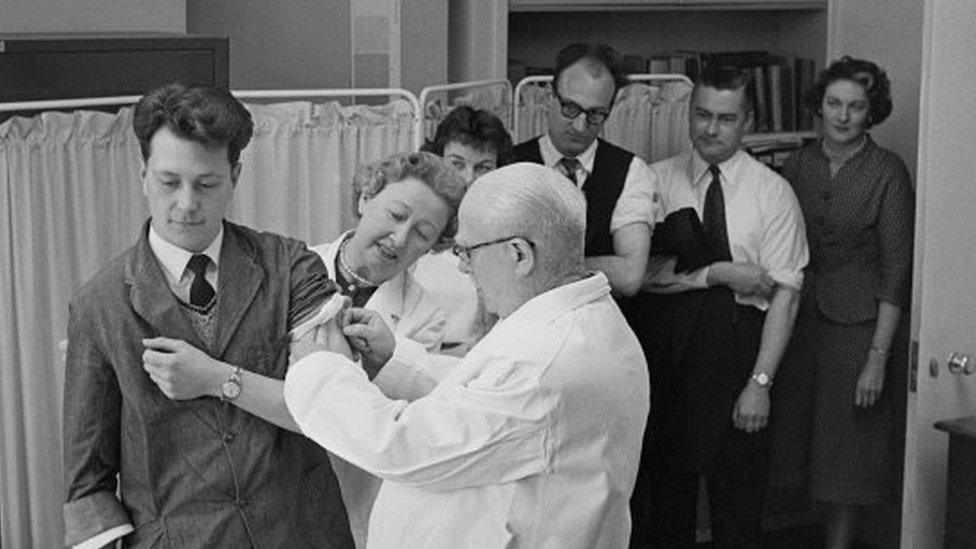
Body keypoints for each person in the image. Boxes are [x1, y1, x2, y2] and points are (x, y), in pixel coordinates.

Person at [283, 162, 649, 548]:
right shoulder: (572, 324)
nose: (461, 266)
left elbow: (400, 444)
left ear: (519, 254)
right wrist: (394, 360)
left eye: (467, 251)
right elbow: (481, 396)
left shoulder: (547, 364)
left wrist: (317, 366)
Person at [61, 84, 353, 548]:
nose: (186, 203)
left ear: (235, 174)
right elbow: (87, 480)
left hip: (301, 531)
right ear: (142, 173)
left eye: (207, 183)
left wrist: (219, 378)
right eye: (169, 182)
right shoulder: (99, 303)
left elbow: (332, 411)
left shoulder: (290, 266)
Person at [150, 150, 468, 548]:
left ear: (433, 248)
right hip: (259, 476)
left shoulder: (425, 316)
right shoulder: (284, 268)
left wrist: (386, 355)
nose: (400, 238)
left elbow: (397, 421)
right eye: (397, 214)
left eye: (422, 233)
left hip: (348, 494)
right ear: (366, 198)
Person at [634, 65, 809, 547]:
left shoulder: (772, 193)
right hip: (671, 362)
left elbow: (785, 298)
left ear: (747, 121)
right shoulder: (655, 179)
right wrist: (717, 274)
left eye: (726, 118)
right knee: (665, 506)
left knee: (738, 508)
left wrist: (760, 384)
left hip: (740, 358)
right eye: (702, 115)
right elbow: (640, 276)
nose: (710, 129)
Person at [779, 56, 914, 549]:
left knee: (847, 455)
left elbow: (898, 271)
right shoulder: (797, 165)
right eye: (833, 104)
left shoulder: (887, 173)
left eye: (855, 107)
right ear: (820, 107)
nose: (842, 116)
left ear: (870, 112)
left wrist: (877, 359)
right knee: (801, 443)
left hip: (858, 329)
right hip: (799, 321)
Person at [510, 42, 660, 300]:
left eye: (595, 114)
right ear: (549, 98)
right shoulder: (509, 165)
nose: (580, 126)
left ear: (610, 111)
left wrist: (541, 264)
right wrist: (592, 266)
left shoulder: (631, 172)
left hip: (601, 325)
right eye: (570, 108)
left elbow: (629, 276)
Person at [416, 105, 514, 354]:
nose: (469, 178)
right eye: (457, 164)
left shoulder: (507, 237)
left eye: (483, 167)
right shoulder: (413, 228)